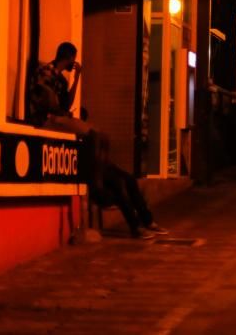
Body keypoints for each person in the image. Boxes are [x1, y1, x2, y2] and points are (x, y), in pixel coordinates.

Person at [29, 42, 167, 240]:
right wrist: (65, 116)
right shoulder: (45, 72)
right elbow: (49, 103)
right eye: (73, 60)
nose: (74, 63)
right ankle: (104, 187)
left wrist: (77, 78)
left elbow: (67, 103)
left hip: (62, 118)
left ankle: (147, 221)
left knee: (126, 178)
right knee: (96, 138)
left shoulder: (62, 79)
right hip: (49, 120)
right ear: (68, 58)